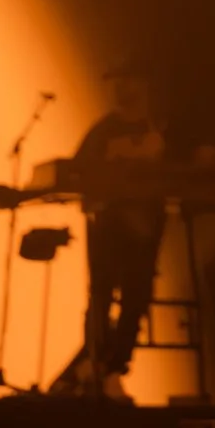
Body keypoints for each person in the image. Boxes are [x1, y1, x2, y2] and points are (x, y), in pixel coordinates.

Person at [70, 65, 165, 396]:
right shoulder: (102, 131)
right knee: (101, 295)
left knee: (136, 299)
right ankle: (96, 362)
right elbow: (78, 170)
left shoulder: (162, 129)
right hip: (109, 228)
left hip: (146, 227)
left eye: (129, 79)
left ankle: (114, 367)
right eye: (117, 81)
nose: (121, 87)